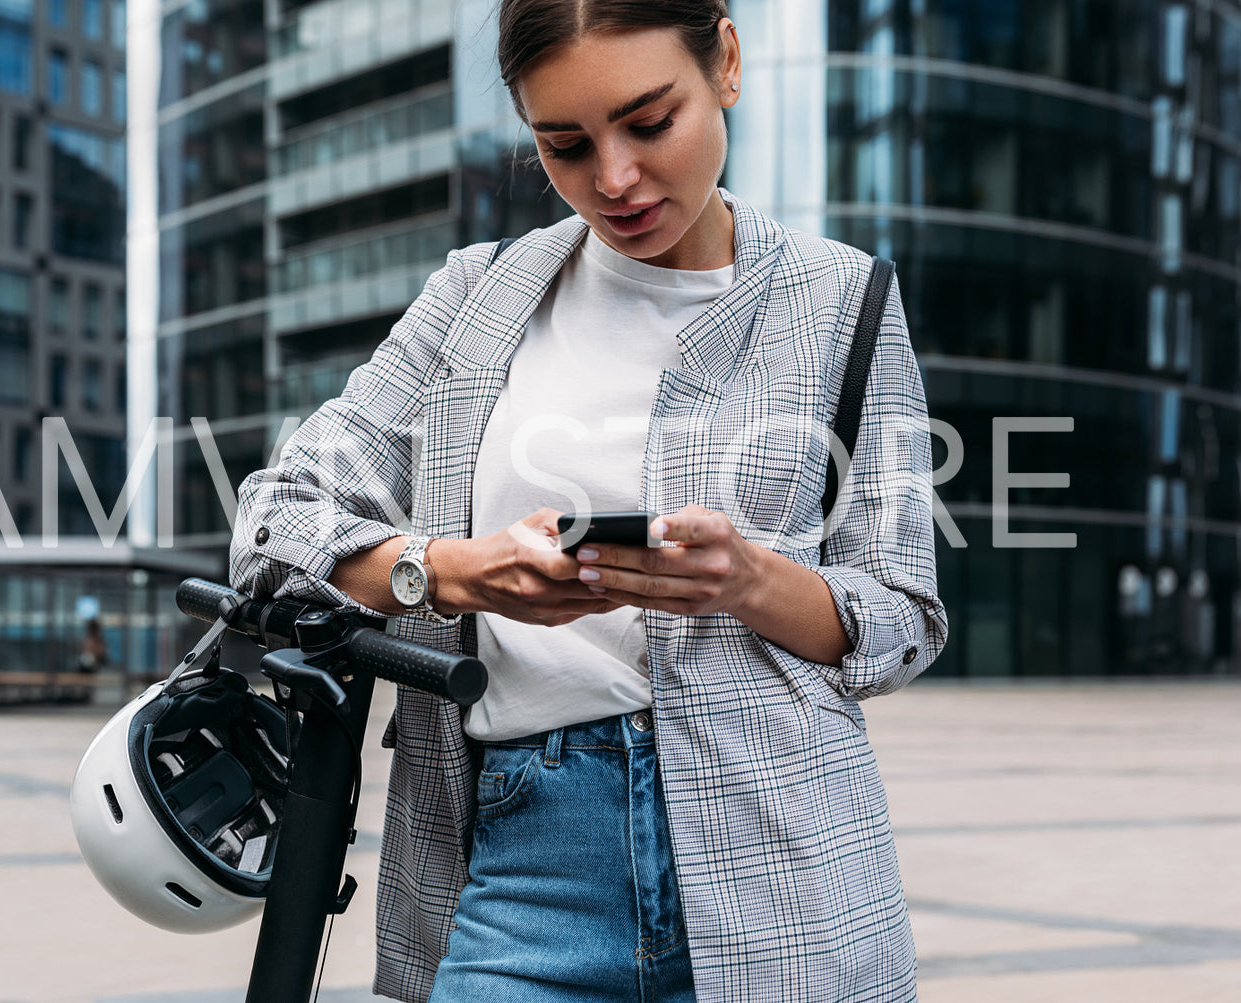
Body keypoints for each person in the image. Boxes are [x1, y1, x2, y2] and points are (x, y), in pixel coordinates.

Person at [230, 1, 948, 1000]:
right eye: (562, 145)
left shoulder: (845, 302)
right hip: (526, 858)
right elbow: (274, 519)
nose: (612, 180)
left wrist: (747, 580)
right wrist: (447, 571)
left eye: (649, 123)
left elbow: (899, 617)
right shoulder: (475, 298)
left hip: (786, 868)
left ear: (725, 62)